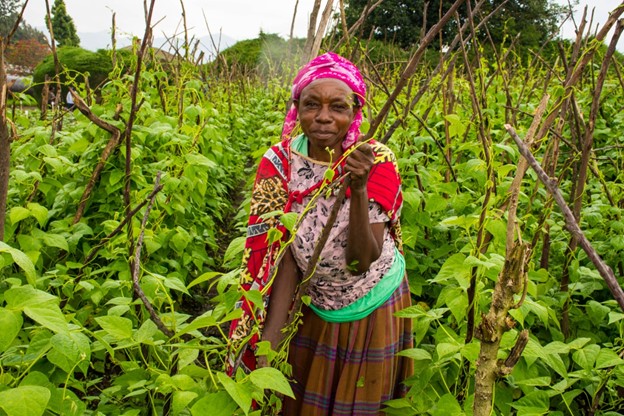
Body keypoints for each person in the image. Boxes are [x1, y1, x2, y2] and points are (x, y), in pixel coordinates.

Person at [227, 52, 413, 415]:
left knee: (359, 401)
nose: (324, 117)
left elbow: (361, 260)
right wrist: (269, 341)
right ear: (297, 109)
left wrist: (358, 188)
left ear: (354, 112)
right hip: (310, 301)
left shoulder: (375, 159)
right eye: (312, 104)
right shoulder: (279, 164)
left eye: (338, 106)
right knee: (301, 399)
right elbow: (279, 258)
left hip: (371, 299)